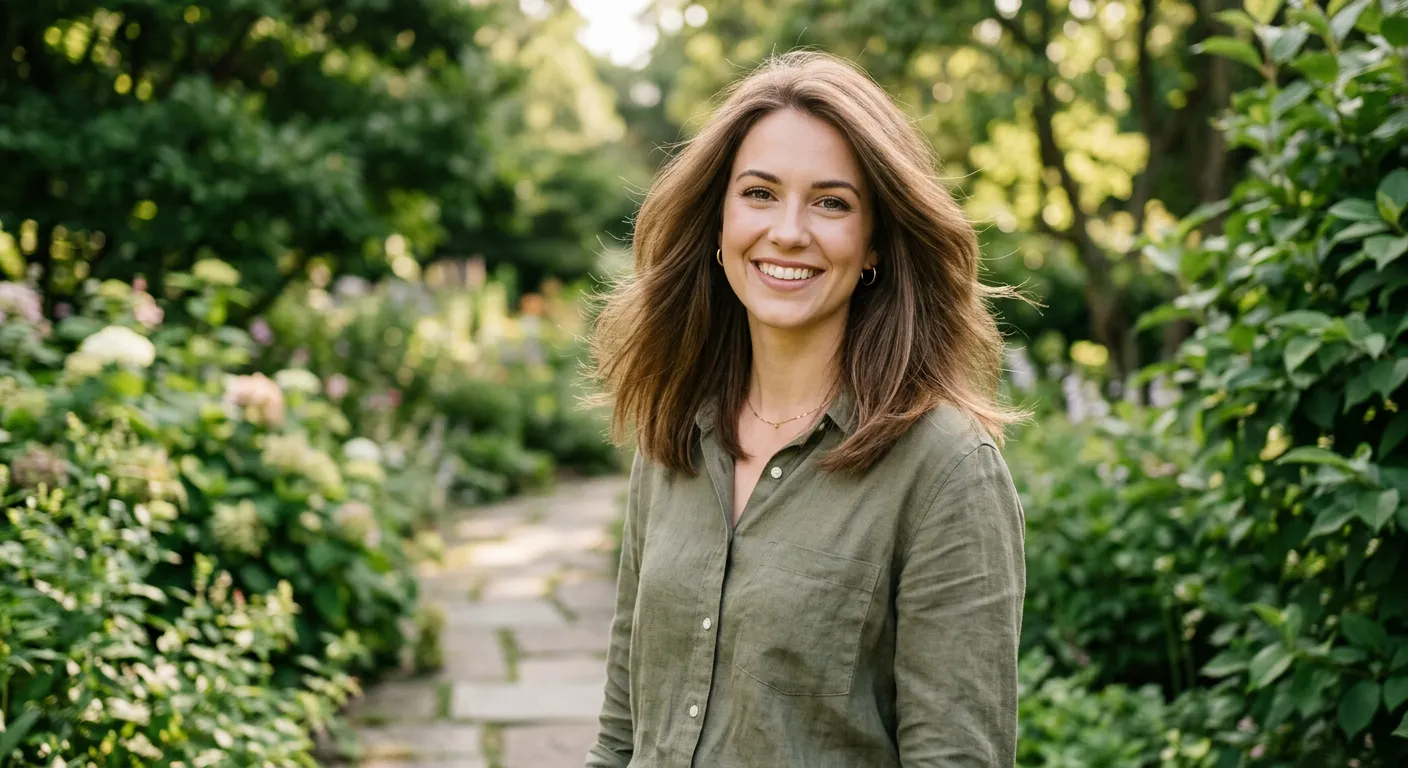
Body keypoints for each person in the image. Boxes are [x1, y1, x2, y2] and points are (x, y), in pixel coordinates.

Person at [585, 50, 1027, 767]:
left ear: (875, 242)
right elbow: (621, 731)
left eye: (831, 202)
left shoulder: (945, 472)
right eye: (759, 193)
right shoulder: (676, 436)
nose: (788, 231)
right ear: (718, 224)